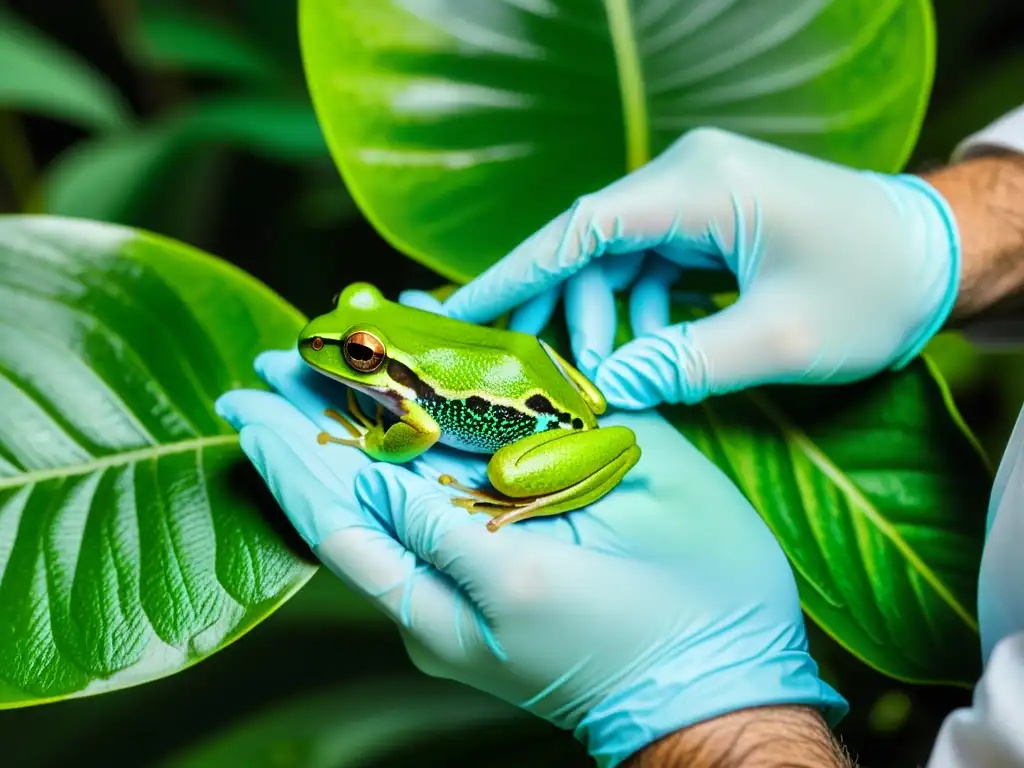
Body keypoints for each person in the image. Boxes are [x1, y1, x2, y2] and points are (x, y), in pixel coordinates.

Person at [214, 105, 1024, 767]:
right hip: (533, 377)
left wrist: (702, 714)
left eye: (357, 355)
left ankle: (523, 495)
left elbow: (416, 425)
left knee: (500, 465)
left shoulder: (412, 401)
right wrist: (966, 223)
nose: (335, 349)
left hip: (536, 425)